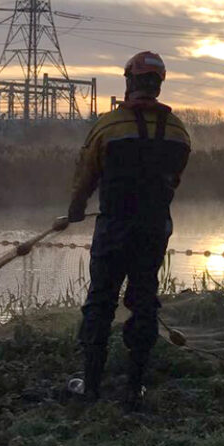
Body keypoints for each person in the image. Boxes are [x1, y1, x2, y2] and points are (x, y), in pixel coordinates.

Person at [56, 51, 191, 405]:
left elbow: (86, 172)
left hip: (114, 228)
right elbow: (172, 181)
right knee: (145, 300)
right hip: (154, 230)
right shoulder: (179, 131)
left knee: (101, 300)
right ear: (158, 84)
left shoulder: (108, 125)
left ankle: (92, 385)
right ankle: (135, 385)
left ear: (130, 81)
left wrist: (75, 207)